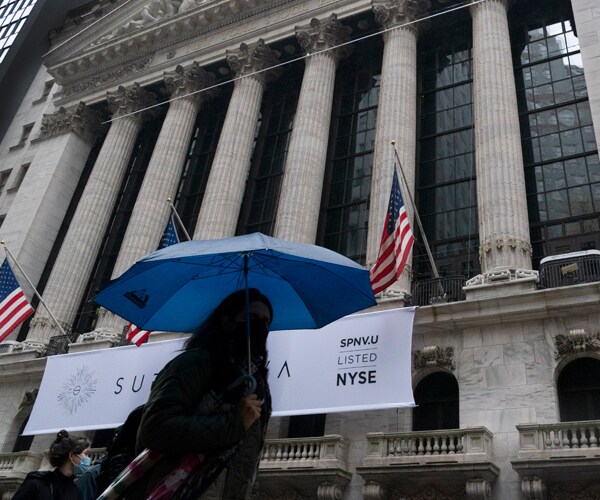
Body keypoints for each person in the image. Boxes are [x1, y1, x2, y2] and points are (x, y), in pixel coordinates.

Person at [129, 288, 273, 499]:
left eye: (266, 322)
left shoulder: (257, 383)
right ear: (226, 323)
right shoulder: (194, 363)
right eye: (251, 318)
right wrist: (234, 423)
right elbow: (154, 428)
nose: (261, 327)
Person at [12, 430, 91, 500]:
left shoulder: (76, 491)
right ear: (71, 455)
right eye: (86, 453)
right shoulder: (35, 483)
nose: (88, 458)